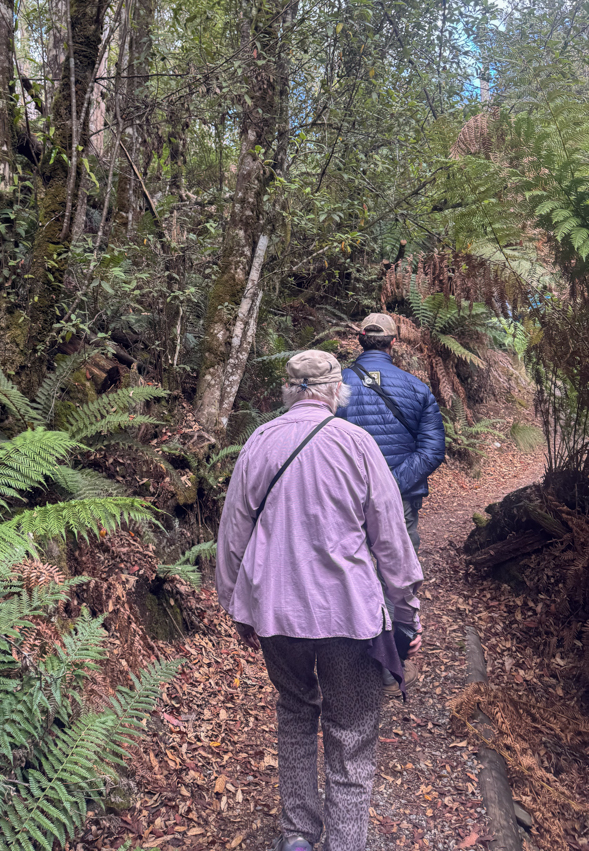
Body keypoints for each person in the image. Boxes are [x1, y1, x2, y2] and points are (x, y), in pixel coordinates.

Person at [216, 350, 423, 851]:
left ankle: (298, 836)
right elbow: (391, 538)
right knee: (351, 732)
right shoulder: (356, 443)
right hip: (348, 614)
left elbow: (232, 535)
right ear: (336, 390)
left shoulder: (259, 441)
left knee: (294, 712)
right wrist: (406, 613)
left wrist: (236, 608)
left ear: (289, 391)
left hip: (274, 611)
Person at [336, 312, 445, 694]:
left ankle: (349, 664)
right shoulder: (416, 388)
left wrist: (364, 486)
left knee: (349, 573)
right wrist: (391, 486)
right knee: (395, 575)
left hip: (345, 501)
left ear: (360, 340)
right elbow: (432, 449)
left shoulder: (336, 387)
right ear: (393, 343)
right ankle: (389, 666)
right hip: (401, 502)